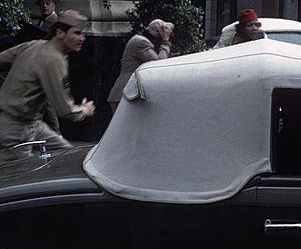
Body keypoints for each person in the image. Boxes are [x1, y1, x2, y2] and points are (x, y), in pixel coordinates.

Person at [0, 10, 95, 150]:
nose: (82, 38)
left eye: (83, 33)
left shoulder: (34, 45)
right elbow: (65, 111)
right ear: (60, 33)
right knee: (20, 170)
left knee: (66, 155)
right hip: (16, 129)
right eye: (77, 33)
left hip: (32, 123)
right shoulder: (54, 60)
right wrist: (84, 109)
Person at [107, 19, 173, 113]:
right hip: (125, 95)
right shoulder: (141, 42)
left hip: (127, 94)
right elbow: (159, 64)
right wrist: (165, 42)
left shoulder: (139, 40)